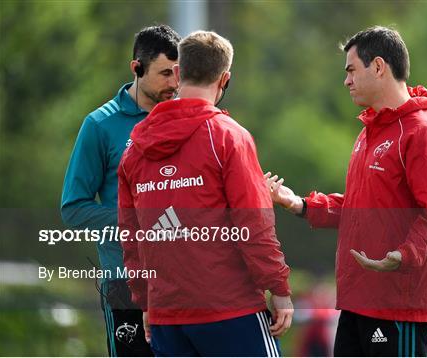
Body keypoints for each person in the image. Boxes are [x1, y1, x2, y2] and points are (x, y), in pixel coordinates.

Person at [266, 26, 427, 357]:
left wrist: (402, 256)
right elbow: (357, 208)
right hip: (358, 301)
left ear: (379, 67)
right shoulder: (368, 133)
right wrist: (298, 203)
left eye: (352, 70)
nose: (346, 80)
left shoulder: (423, 132)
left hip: (399, 305)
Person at [118, 30, 293, 357]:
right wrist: (279, 289)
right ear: (225, 79)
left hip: (167, 317)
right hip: (230, 310)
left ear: (180, 72)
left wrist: (145, 302)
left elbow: (132, 239)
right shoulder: (228, 137)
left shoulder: (134, 150)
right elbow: (254, 224)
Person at [61, 25, 180, 356]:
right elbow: (73, 208)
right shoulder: (99, 125)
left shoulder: (185, 120)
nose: (174, 83)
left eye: (179, 73)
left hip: (183, 279)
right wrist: (138, 222)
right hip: (125, 282)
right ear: (136, 68)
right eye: (165, 73)